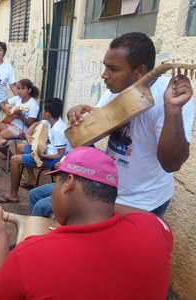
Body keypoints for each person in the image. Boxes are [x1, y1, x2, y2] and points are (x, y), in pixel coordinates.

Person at [0, 147, 173, 299]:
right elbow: (152, 219)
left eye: (56, 182)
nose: (53, 191)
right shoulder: (154, 230)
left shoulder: (29, 255)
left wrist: (0, 232)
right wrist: (104, 201)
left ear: (69, 183)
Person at [67, 32, 194, 217]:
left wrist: (172, 109)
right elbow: (87, 137)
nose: (104, 75)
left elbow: (171, 164)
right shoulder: (114, 91)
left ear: (140, 71)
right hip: (111, 192)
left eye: (113, 69)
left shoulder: (171, 96)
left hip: (145, 203)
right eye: (105, 67)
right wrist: (77, 116)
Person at [0, 98, 69, 203]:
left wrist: (42, 155)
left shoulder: (59, 130)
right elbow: (34, 124)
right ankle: (31, 179)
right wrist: (28, 135)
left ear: (48, 113)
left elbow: (60, 156)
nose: (42, 112)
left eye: (44, 110)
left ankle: (13, 195)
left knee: (15, 160)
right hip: (44, 151)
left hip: (50, 159)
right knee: (20, 147)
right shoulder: (49, 121)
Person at [0, 78, 39, 153]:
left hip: (22, 129)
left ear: (29, 90)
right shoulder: (18, 98)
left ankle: (10, 158)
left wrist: (20, 115)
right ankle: (1, 141)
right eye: (18, 88)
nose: (19, 91)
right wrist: (5, 109)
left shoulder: (33, 104)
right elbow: (1, 103)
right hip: (11, 124)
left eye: (22, 89)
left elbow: (30, 124)